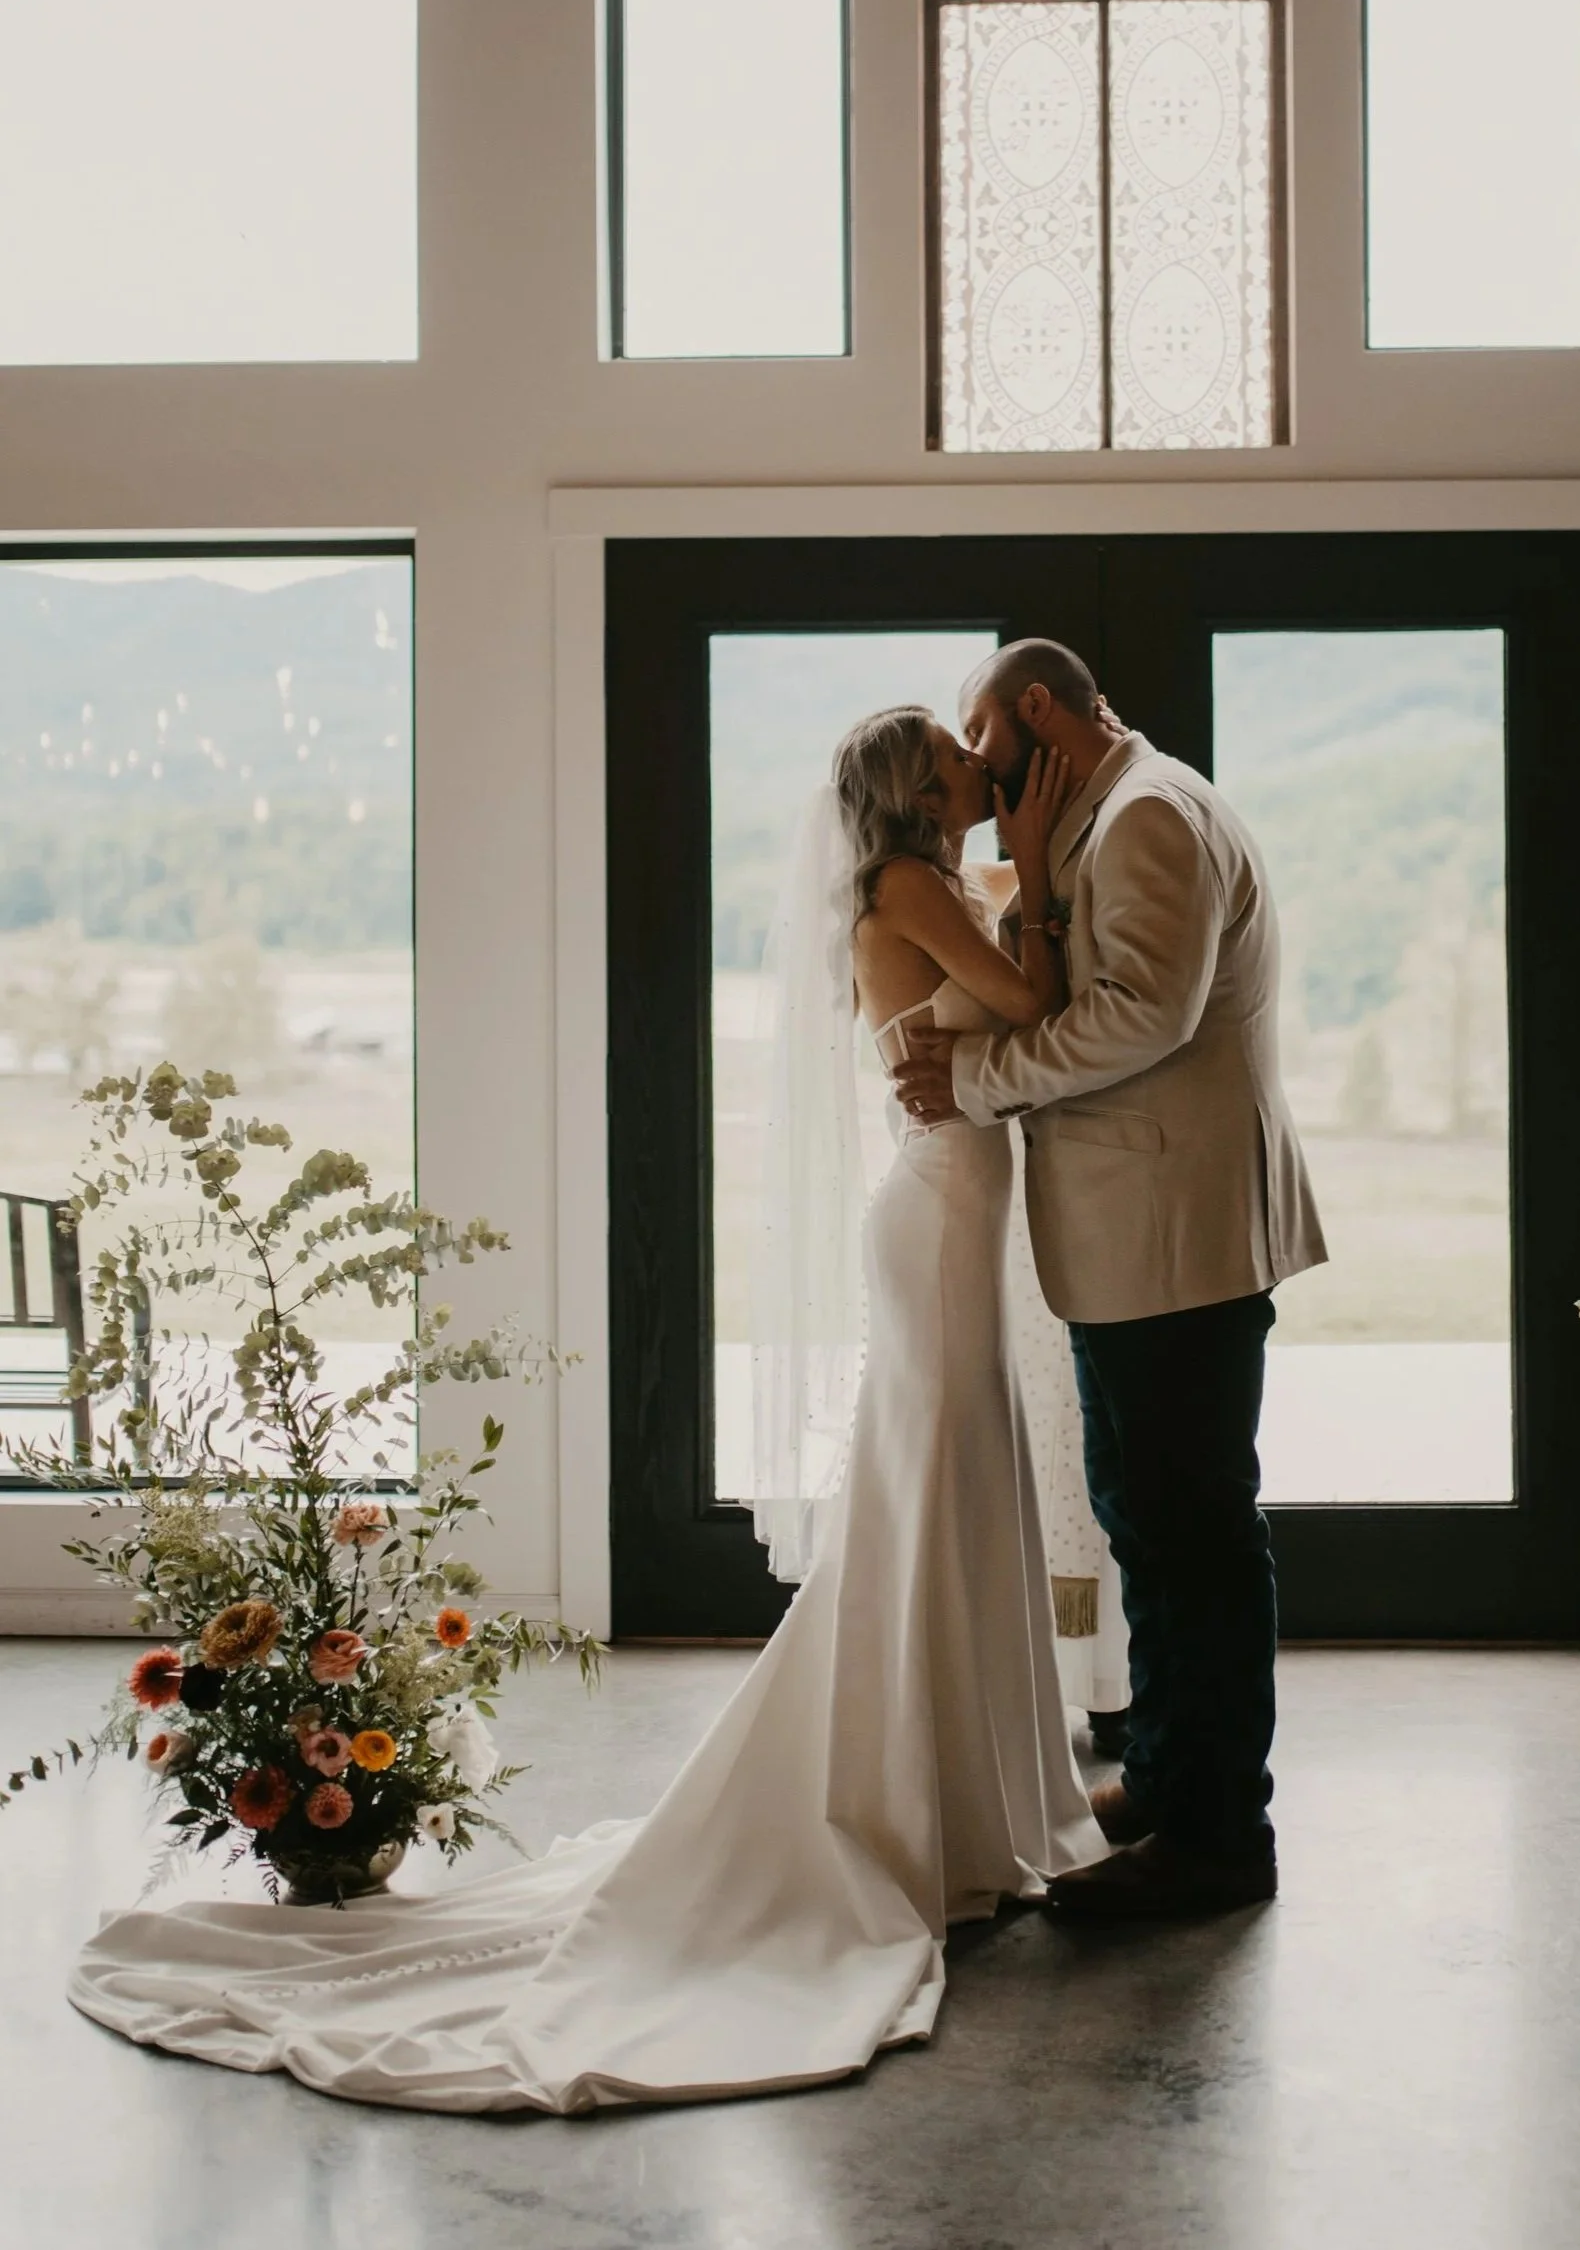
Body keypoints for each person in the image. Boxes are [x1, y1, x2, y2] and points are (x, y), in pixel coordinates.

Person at [68, 708, 1109, 2113]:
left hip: (959, 1214)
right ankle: (910, 1810)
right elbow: (1037, 1004)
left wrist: (1025, 854)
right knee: (924, 1496)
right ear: (918, 789)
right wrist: (1035, 854)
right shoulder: (914, 887)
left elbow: (1021, 977)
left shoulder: (940, 881)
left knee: (951, 1492)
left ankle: (962, 1811)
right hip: (934, 1219)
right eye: (952, 747)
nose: (976, 759)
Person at [890, 638, 1327, 1920]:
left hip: (1176, 1232)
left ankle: (1220, 1838)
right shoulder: (1104, 813)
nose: (975, 769)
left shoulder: (1148, 818)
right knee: (1145, 1514)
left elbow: (1143, 1013)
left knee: (1195, 1529)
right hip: (1134, 1233)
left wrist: (971, 1081)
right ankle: (1168, 1774)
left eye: (984, 739)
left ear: (1039, 712)